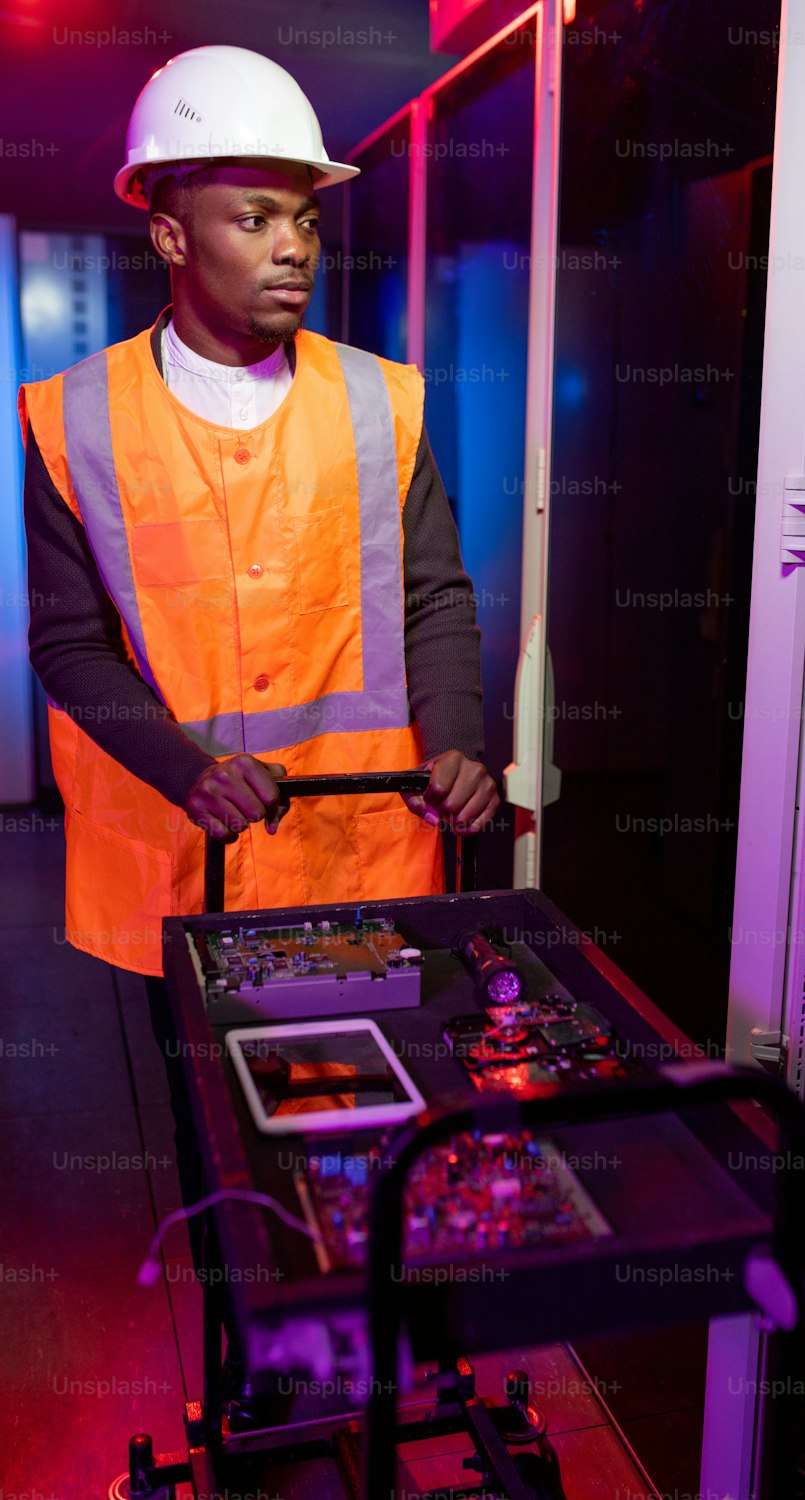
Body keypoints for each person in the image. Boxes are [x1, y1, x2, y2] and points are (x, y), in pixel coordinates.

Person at [18, 43, 499, 1420]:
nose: (291, 248)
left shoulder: (378, 398)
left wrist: (458, 736)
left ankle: (380, 1371)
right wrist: (187, 768)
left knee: (372, 1140)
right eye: (253, 217)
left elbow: (435, 595)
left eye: (304, 217)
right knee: (233, 1154)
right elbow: (65, 645)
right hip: (192, 870)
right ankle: (270, 1387)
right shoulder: (74, 422)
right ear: (168, 231)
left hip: (361, 856)